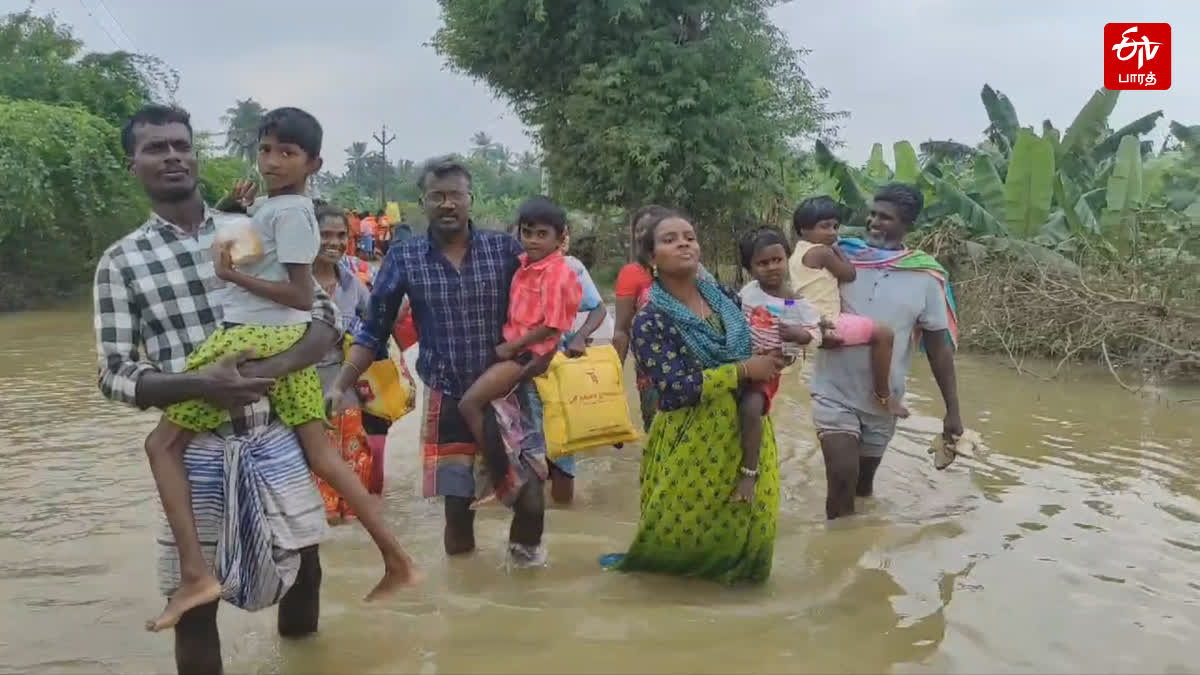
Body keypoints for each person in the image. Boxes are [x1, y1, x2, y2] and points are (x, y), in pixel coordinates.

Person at [136, 106, 415, 632]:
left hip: (253, 336)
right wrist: (233, 217)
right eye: (266, 150)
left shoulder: (290, 213)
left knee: (161, 445)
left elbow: (297, 292)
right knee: (323, 455)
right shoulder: (273, 208)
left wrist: (233, 278)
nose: (272, 161)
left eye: (286, 153)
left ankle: (195, 573)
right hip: (282, 338)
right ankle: (398, 560)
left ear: (313, 162)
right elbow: (237, 255)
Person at [96, 104, 335, 673]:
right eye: (156, 148)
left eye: (181, 144)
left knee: (306, 569)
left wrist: (269, 373)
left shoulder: (254, 226)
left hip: (276, 433)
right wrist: (199, 385)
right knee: (196, 605)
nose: (173, 155)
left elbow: (323, 319)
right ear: (134, 165)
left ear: (194, 154)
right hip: (194, 450)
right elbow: (112, 373)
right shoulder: (122, 263)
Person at [332, 157, 551, 566]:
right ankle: (465, 599)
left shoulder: (506, 250)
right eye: (438, 196)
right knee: (459, 510)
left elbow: (548, 302)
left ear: (471, 199)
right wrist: (342, 382)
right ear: (423, 201)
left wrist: (550, 351)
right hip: (447, 397)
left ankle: (525, 579)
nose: (447, 204)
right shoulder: (405, 257)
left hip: (509, 391)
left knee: (532, 497)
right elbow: (373, 329)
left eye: (455, 195)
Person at [602, 210, 786, 584]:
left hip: (746, 437)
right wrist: (742, 371)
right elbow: (675, 388)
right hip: (691, 443)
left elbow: (757, 347)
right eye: (670, 239)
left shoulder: (725, 299)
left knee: (752, 532)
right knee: (678, 540)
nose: (684, 243)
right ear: (652, 259)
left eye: (689, 236)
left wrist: (776, 357)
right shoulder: (650, 320)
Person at [809, 183, 963, 520]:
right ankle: (836, 563)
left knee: (863, 489)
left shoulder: (926, 276)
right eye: (873, 214)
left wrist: (952, 411)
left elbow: (938, 349)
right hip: (833, 391)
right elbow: (799, 292)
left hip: (883, 401)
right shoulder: (839, 257)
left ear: (907, 224)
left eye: (885, 217)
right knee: (840, 480)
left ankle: (859, 554)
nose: (874, 222)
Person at [456, 195, 581, 508]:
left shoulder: (557, 273)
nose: (533, 240)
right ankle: (518, 469)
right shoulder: (526, 264)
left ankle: (504, 476)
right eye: (527, 233)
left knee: (470, 404)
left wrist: (513, 346)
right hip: (517, 352)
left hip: (526, 355)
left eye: (542, 234)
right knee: (508, 416)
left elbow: (553, 325)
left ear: (560, 236)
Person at [790, 196, 908, 417]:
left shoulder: (797, 253)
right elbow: (849, 274)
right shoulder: (823, 252)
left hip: (810, 320)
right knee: (884, 334)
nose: (833, 232)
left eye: (835, 226)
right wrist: (838, 249)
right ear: (804, 229)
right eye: (825, 226)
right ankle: (883, 395)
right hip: (827, 320)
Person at [311, 205, 392, 522]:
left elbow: (377, 326)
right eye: (325, 235)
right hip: (300, 395)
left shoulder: (352, 284)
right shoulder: (292, 282)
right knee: (321, 505)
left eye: (340, 235)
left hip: (345, 393)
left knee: (355, 498)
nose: (333, 242)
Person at [736, 226, 817, 473]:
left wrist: (798, 334)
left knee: (750, 407)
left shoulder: (795, 302)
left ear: (787, 259)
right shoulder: (748, 293)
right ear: (749, 269)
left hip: (770, 366)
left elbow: (814, 333)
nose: (772, 267)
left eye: (777, 260)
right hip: (740, 360)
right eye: (762, 263)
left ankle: (750, 470)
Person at [612, 205, 672, 431]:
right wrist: (613, 380)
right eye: (638, 230)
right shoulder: (631, 274)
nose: (641, 235)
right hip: (651, 368)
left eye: (648, 229)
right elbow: (621, 330)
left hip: (694, 365)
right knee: (657, 430)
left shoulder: (689, 268)